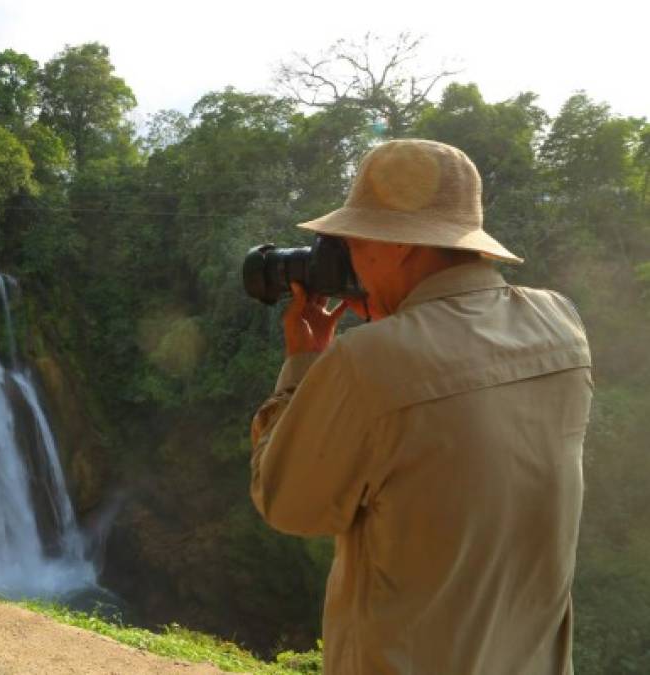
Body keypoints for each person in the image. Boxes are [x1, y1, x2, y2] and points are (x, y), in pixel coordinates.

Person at [250, 139, 592, 674]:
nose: (353, 263)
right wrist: (398, 324)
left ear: (400, 246)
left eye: (355, 244)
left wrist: (303, 366)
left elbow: (286, 501)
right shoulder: (560, 323)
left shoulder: (365, 364)